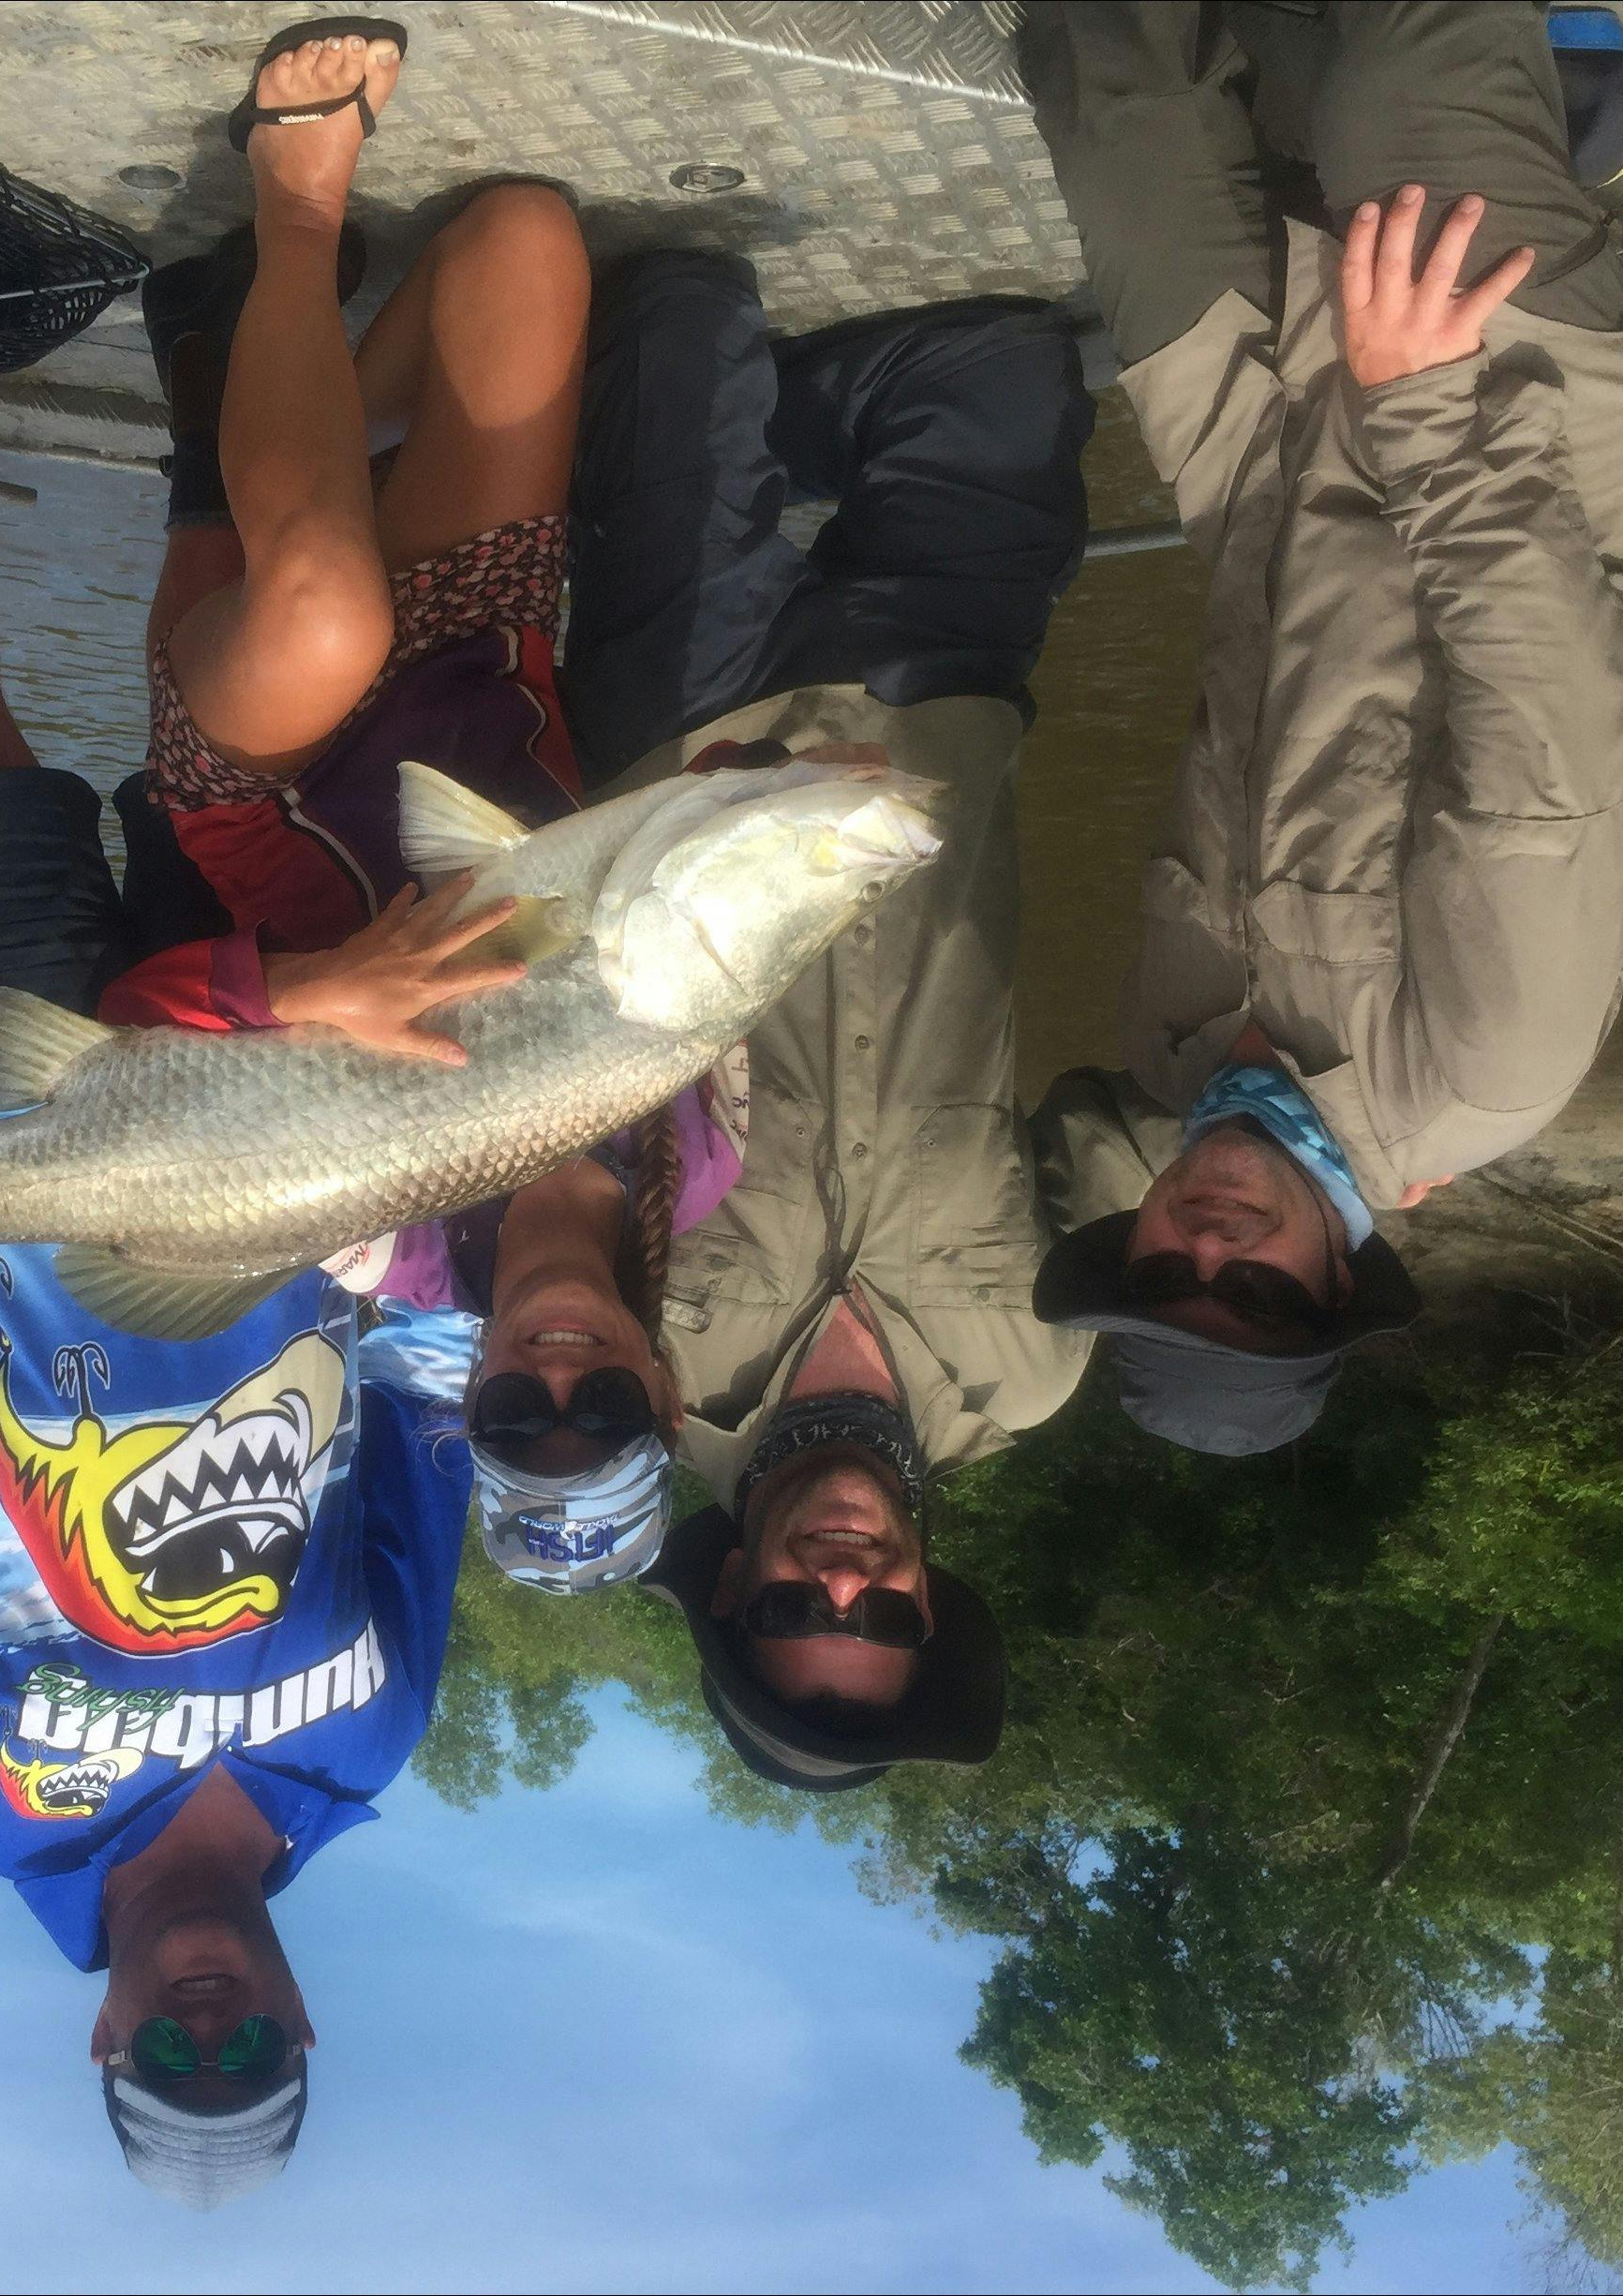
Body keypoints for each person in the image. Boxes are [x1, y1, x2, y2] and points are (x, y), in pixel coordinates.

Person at [0, 22, 501, 2212]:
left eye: (166, 2054)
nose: (204, 2012)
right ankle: (214, 354)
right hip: (267, 1129)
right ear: (298, 2023)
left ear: (103, 2038)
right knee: (227, 753)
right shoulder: (372, 1736)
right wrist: (407, 1242)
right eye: (242, 2049)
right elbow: (441, 1419)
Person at [1017, 0, 1623, 1456]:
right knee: (1406, 66)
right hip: (1512, 457)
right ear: (1341, 1271)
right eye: (1256, 1298)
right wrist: (1427, 407)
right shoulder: (1485, 1069)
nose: (1206, 1247)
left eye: (1160, 1275)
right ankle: (1561, 59)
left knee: (1101, 76)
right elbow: (1553, 714)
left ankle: (1360, 89)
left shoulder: (1167, 1049)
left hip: (1271, 479)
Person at [109, 21, 727, 1590]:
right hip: (481, 675)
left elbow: (134, 1043)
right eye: (606, 1411)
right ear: (663, 1394)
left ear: (477, 1392)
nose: (560, 1372)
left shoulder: (375, 1239)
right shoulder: (701, 1156)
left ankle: (294, 217)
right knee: (520, 236)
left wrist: (320, 988)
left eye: (521, 1412)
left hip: (266, 781)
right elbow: (684, 889)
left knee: (320, 611)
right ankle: (269, 387)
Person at [532, 244, 1124, 1793]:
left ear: (735, 1586)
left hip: (687, 749)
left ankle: (701, 467)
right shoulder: (1037, 1363)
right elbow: (1135, 1138)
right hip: (924, 728)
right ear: (934, 1599)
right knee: (1003, 373)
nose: (845, 1576)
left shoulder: (628, 1379)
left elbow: (519, 1141)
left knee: (684, 301)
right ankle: (792, 455)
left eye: (796, 1608)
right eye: (882, 1615)